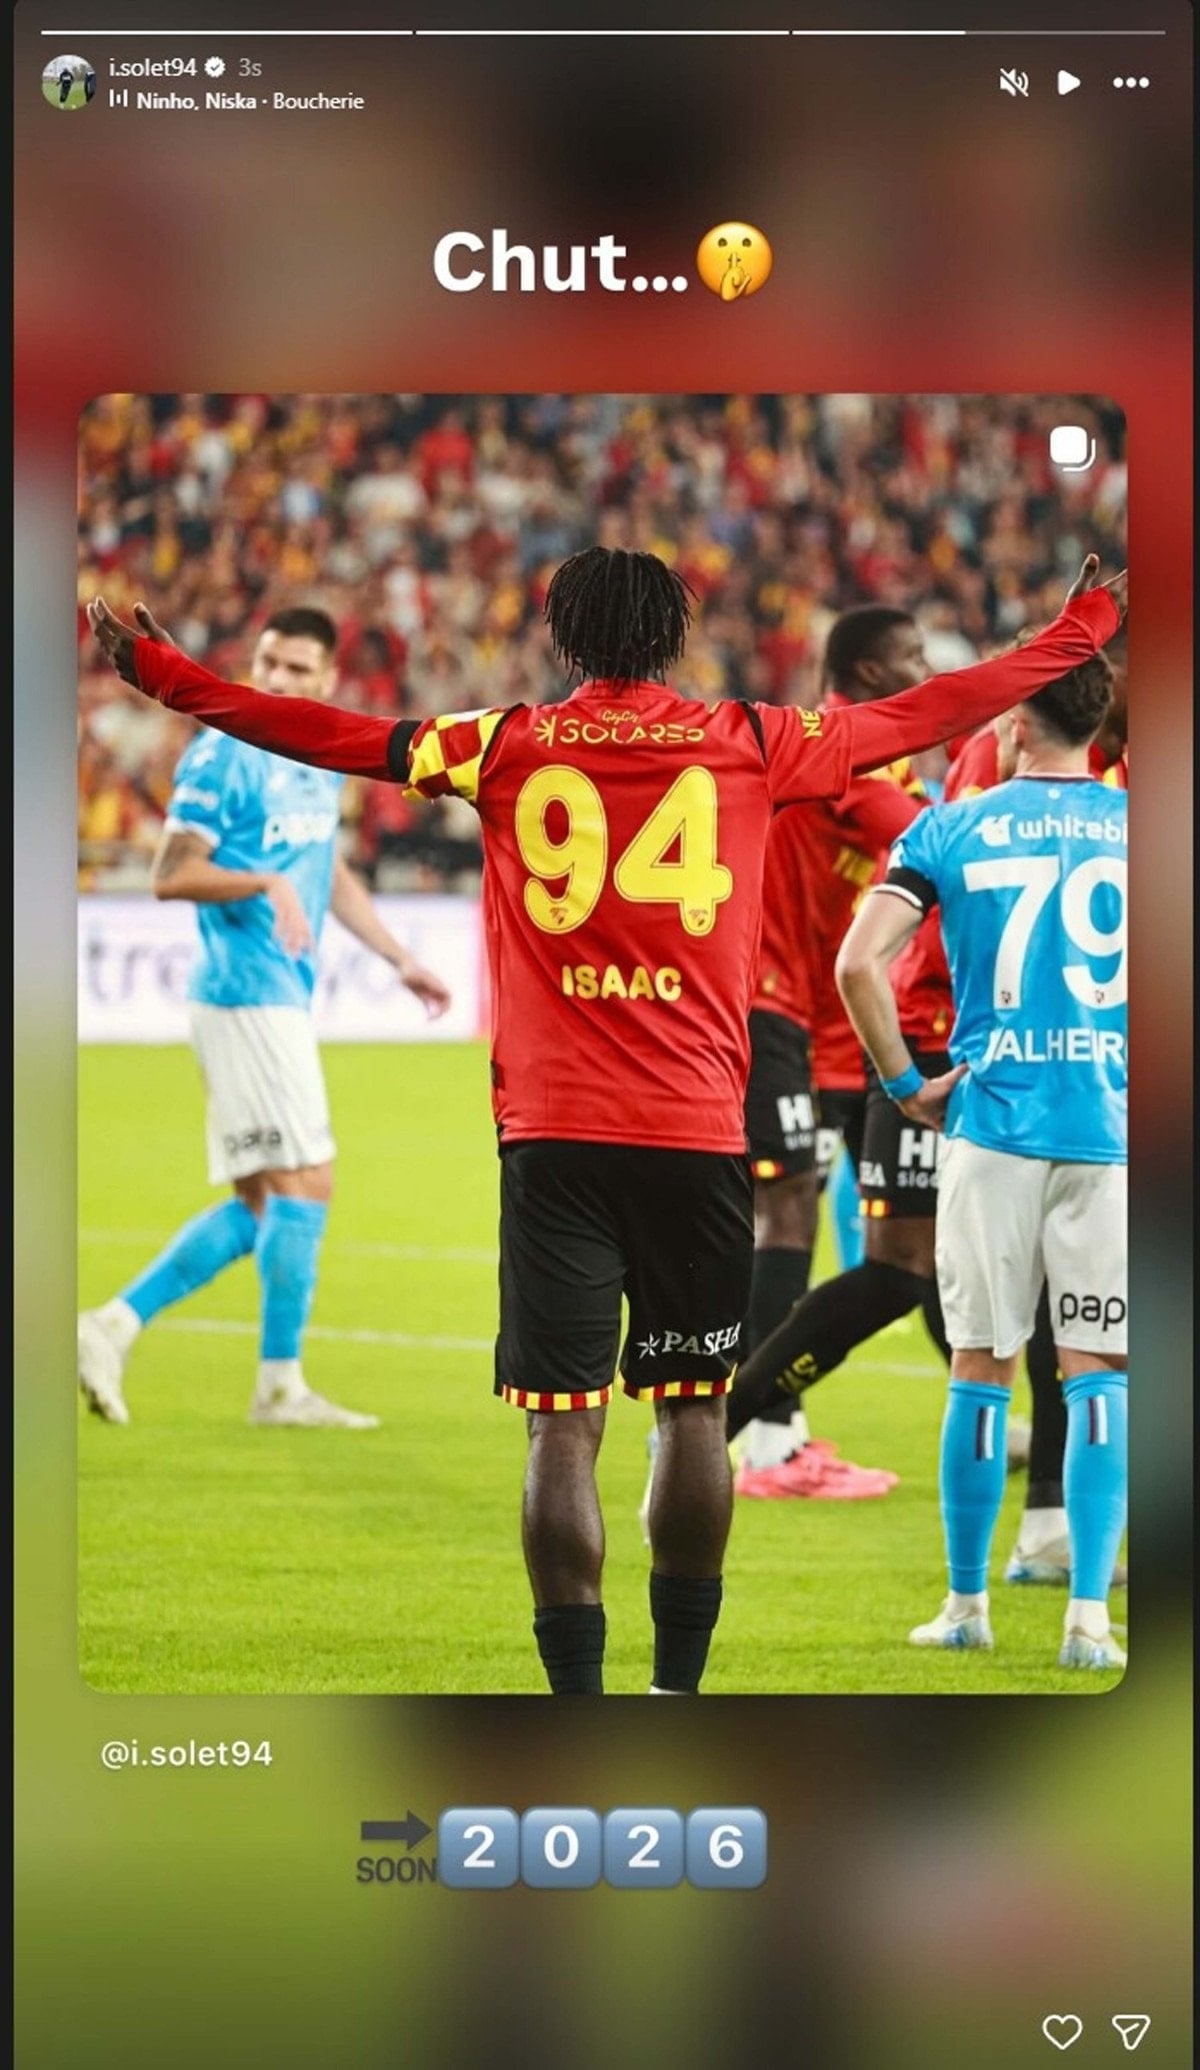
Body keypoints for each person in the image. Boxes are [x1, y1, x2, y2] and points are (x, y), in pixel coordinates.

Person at [86, 547, 1124, 1695]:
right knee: (691, 1417)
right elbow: (936, 708)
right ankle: (674, 1693)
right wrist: (1077, 631)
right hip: (696, 1133)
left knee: (561, 1429)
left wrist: (173, 678)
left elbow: (327, 733)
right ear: (673, 638)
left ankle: (576, 1705)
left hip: (554, 1139)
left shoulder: (500, 743)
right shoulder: (752, 738)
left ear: (564, 636)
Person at [835, 563, 1129, 1670]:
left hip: (992, 1125)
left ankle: (965, 1607)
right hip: (1111, 1132)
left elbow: (858, 963)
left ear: (1012, 720)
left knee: (981, 1365)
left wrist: (904, 1082)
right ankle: (1090, 1620)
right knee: (1098, 1371)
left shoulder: (949, 830)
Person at [78, 606, 452, 1431]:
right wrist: (265, 884)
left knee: (261, 1206)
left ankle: (111, 1326)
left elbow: (328, 868)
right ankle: (280, 1386)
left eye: (296, 670)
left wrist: (397, 956)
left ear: (328, 679)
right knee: (309, 1180)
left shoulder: (316, 758)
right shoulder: (224, 753)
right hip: (247, 993)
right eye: (268, 664)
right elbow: (170, 874)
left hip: (278, 994)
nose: (278, 680)